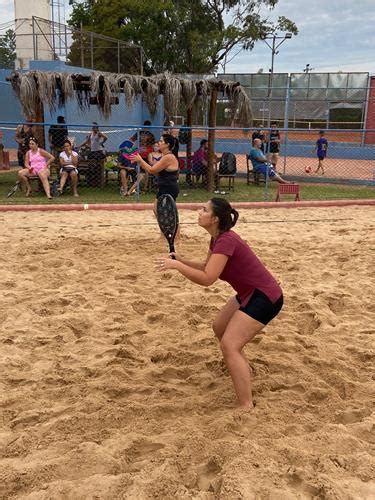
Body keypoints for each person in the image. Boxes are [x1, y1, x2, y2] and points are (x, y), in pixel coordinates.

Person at [156, 198, 283, 409]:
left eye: (204, 210)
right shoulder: (217, 239)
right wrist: (182, 259)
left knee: (229, 345)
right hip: (249, 292)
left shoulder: (226, 241)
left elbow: (207, 278)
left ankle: (246, 405)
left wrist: (177, 266)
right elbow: (208, 265)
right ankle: (244, 370)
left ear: (214, 219)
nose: (199, 211)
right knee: (220, 327)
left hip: (265, 296)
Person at [134, 133, 179, 211]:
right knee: (156, 210)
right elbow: (157, 172)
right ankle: (168, 223)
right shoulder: (164, 156)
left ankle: (173, 223)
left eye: (161, 141)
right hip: (164, 187)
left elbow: (152, 170)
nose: (158, 143)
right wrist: (141, 162)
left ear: (167, 144)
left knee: (166, 213)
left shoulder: (168, 157)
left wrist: (140, 160)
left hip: (169, 188)